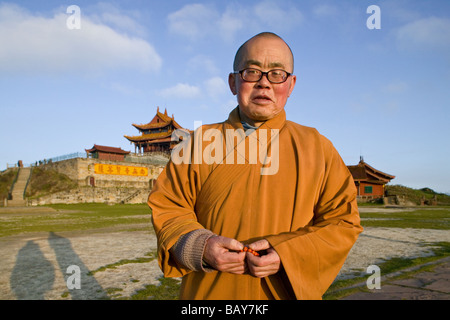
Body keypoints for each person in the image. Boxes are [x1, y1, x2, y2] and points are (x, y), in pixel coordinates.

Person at [148, 32, 363, 300]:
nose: (264, 83)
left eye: (277, 73)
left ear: (291, 84)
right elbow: (169, 207)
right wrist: (199, 247)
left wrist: (288, 254)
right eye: (252, 71)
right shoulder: (197, 143)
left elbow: (342, 222)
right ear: (233, 82)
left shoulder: (318, 148)